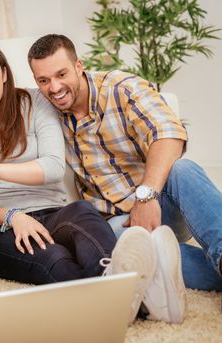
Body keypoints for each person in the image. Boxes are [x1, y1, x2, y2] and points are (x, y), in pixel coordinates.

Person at [0, 37, 166, 324]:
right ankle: (129, 303)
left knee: (83, 214)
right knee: (54, 257)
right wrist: (13, 216)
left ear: (4, 74)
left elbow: (53, 167)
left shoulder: (34, 101)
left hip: (52, 211)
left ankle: (117, 288)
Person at [27, 34, 222, 295]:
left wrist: (146, 196)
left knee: (182, 170)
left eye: (61, 74)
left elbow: (169, 133)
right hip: (120, 221)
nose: (54, 87)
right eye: (44, 80)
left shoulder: (121, 87)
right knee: (117, 247)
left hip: (158, 200)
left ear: (79, 66)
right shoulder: (45, 112)